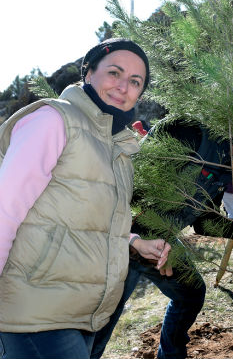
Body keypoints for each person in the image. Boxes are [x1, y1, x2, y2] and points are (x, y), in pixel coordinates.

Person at [0, 38, 166, 358]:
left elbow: (85, 220)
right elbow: (5, 208)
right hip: (35, 313)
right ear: (88, 72)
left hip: (81, 314)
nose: (123, 86)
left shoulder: (116, 146)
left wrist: (133, 242)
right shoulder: (54, 120)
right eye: (114, 72)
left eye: (135, 81)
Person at [91, 104, 233, 359]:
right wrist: (136, 241)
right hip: (124, 235)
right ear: (232, 117)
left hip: (162, 243)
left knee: (190, 292)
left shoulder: (223, 165)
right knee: (103, 319)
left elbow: (202, 219)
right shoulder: (188, 131)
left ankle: (171, 355)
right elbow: (133, 181)